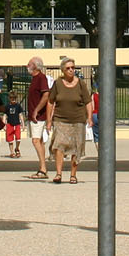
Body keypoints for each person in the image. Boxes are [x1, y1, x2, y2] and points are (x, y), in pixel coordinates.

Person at [46, 56, 90, 184]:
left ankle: (73, 175)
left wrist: (90, 118)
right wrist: (49, 121)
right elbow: (50, 102)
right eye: (68, 68)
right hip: (60, 120)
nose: (71, 70)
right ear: (63, 71)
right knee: (59, 145)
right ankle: (58, 174)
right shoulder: (58, 84)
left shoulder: (81, 84)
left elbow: (88, 102)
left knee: (77, 147)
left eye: (73, 68)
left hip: (78, 120)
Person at [24, 56, 52, 180]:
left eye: (29, 64)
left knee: (36, 141)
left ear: (35, 66)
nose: (27, 66)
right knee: (39, 141)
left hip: (38, 117)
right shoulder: (34, 79)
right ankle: (42, 167)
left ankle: (43, 168)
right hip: (33, 116)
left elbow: (46, 95)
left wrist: (36, 110)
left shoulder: (41, 78)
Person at [3, 89, 24, 158]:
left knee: (18, 138)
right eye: (12, 98)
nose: (13, 100)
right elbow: (5, 115)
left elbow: (20, 115)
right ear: (9, 98)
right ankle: (12, 152)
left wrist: (22, 124)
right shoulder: (7, 106)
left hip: (17, 124)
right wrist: (4, 125)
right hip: (9, 124)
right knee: (10, 140)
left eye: (14, 98)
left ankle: (17, 148)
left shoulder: (18, 106)